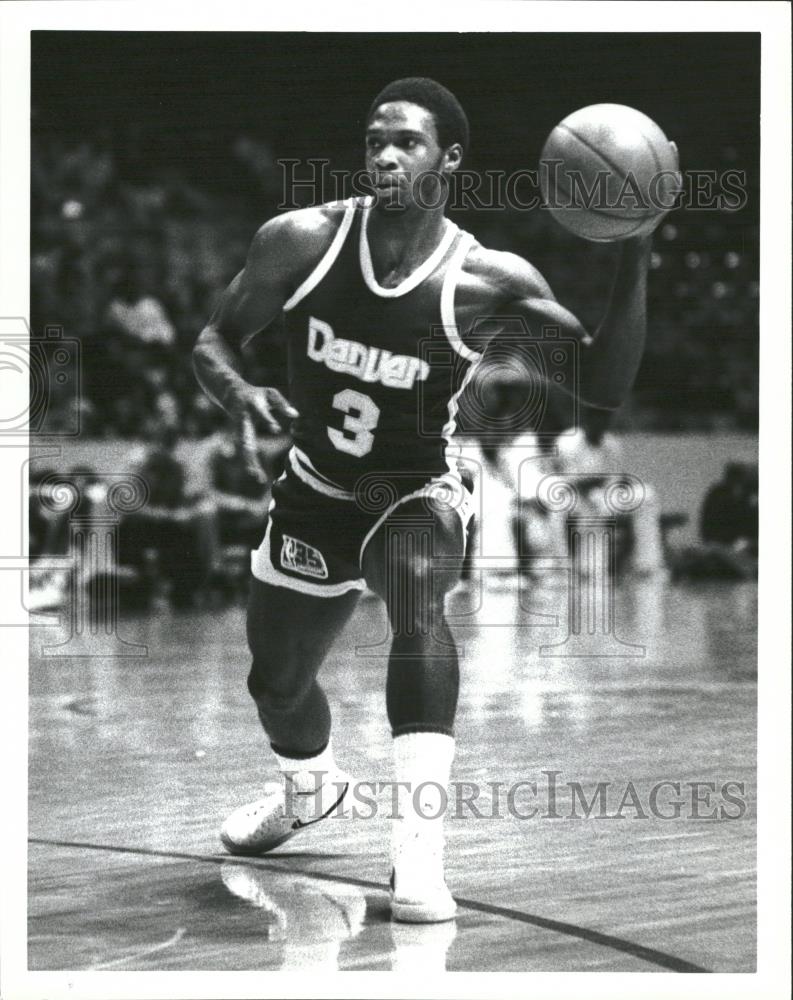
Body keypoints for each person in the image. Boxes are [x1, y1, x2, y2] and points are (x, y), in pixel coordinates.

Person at [192, 77, 672, 923]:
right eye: (374, 139)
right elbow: (216, 338)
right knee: (274, 683)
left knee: (418, 601)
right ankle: (310, 788)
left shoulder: (486, 278)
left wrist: (633, 247)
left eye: (405, 142)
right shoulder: (299, 240)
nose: (383, 154)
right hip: (312, 490)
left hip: (416, 487)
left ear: (447, 158)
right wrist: (239, 393)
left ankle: (418, 854)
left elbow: (600, 383)